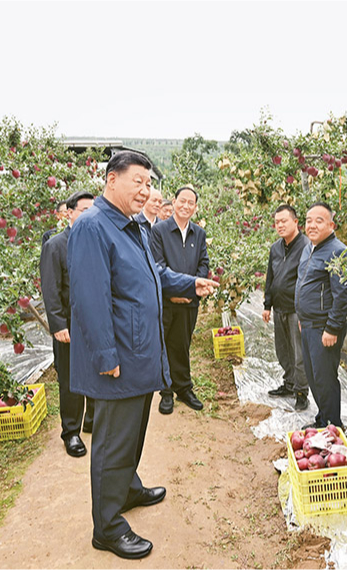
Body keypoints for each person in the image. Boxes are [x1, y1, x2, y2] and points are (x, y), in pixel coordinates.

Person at [68, 151, 217, 560]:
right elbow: (90, 299)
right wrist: (105, 356)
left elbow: (155, 274)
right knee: (112, 443)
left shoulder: (132, 226)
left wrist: (190, 283)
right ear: (111, 180)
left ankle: (128, 488)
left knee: (132, 434)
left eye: (149, 183)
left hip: (137, 353)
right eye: (138, 181)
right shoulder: (93, 227)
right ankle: (107, 527)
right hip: (118, 358)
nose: (146, 190)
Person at [40, 190, 96, 457]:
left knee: (97, 371)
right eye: (85, 210)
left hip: (94, 322)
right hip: (69, 325)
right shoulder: (55, 245)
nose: (90, 215)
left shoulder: (96, 241)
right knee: (71, 379)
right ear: (70, 213)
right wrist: (58, 324)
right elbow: (50, 290)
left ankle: (91, 419)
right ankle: (71, 431)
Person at [295, 202, 347, 429]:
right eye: (308, 220)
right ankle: (322, 420)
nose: (312, 225)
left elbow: (343, 296)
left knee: (325, 378)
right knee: (313, 377)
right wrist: (302, 318)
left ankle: (332, 426)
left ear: (331, 225)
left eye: (319, 221)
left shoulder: (339, 253)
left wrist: (332, 327)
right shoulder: (308, 249)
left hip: (323, 327)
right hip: (308, 324)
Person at [150, 185, 209, 415]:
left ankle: (183, 388)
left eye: (190, 203)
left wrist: (192, 290)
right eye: (181, 201)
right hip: (167, 301)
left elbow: (203, 263)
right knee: (164, 345)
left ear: (195, 207)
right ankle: (166, 392)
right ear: (173, 202)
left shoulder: (198, 233)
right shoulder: (159, 231)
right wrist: (175, 291)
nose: (185, 206)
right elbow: (158, 265)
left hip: (189, 302)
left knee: (182, 345)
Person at [263, 204, 310, 410]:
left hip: (296, 309)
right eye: (277, 222)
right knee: (283, 350)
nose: (280, 225)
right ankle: (289, 384)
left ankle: (301, 392)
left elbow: (307, 281)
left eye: (284, 221)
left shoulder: (306, 247)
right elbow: (270, 277)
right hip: (279, 308)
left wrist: (304, 312)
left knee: (299, 354)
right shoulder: (276, 248)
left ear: (296, 222)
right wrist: (267, 304)